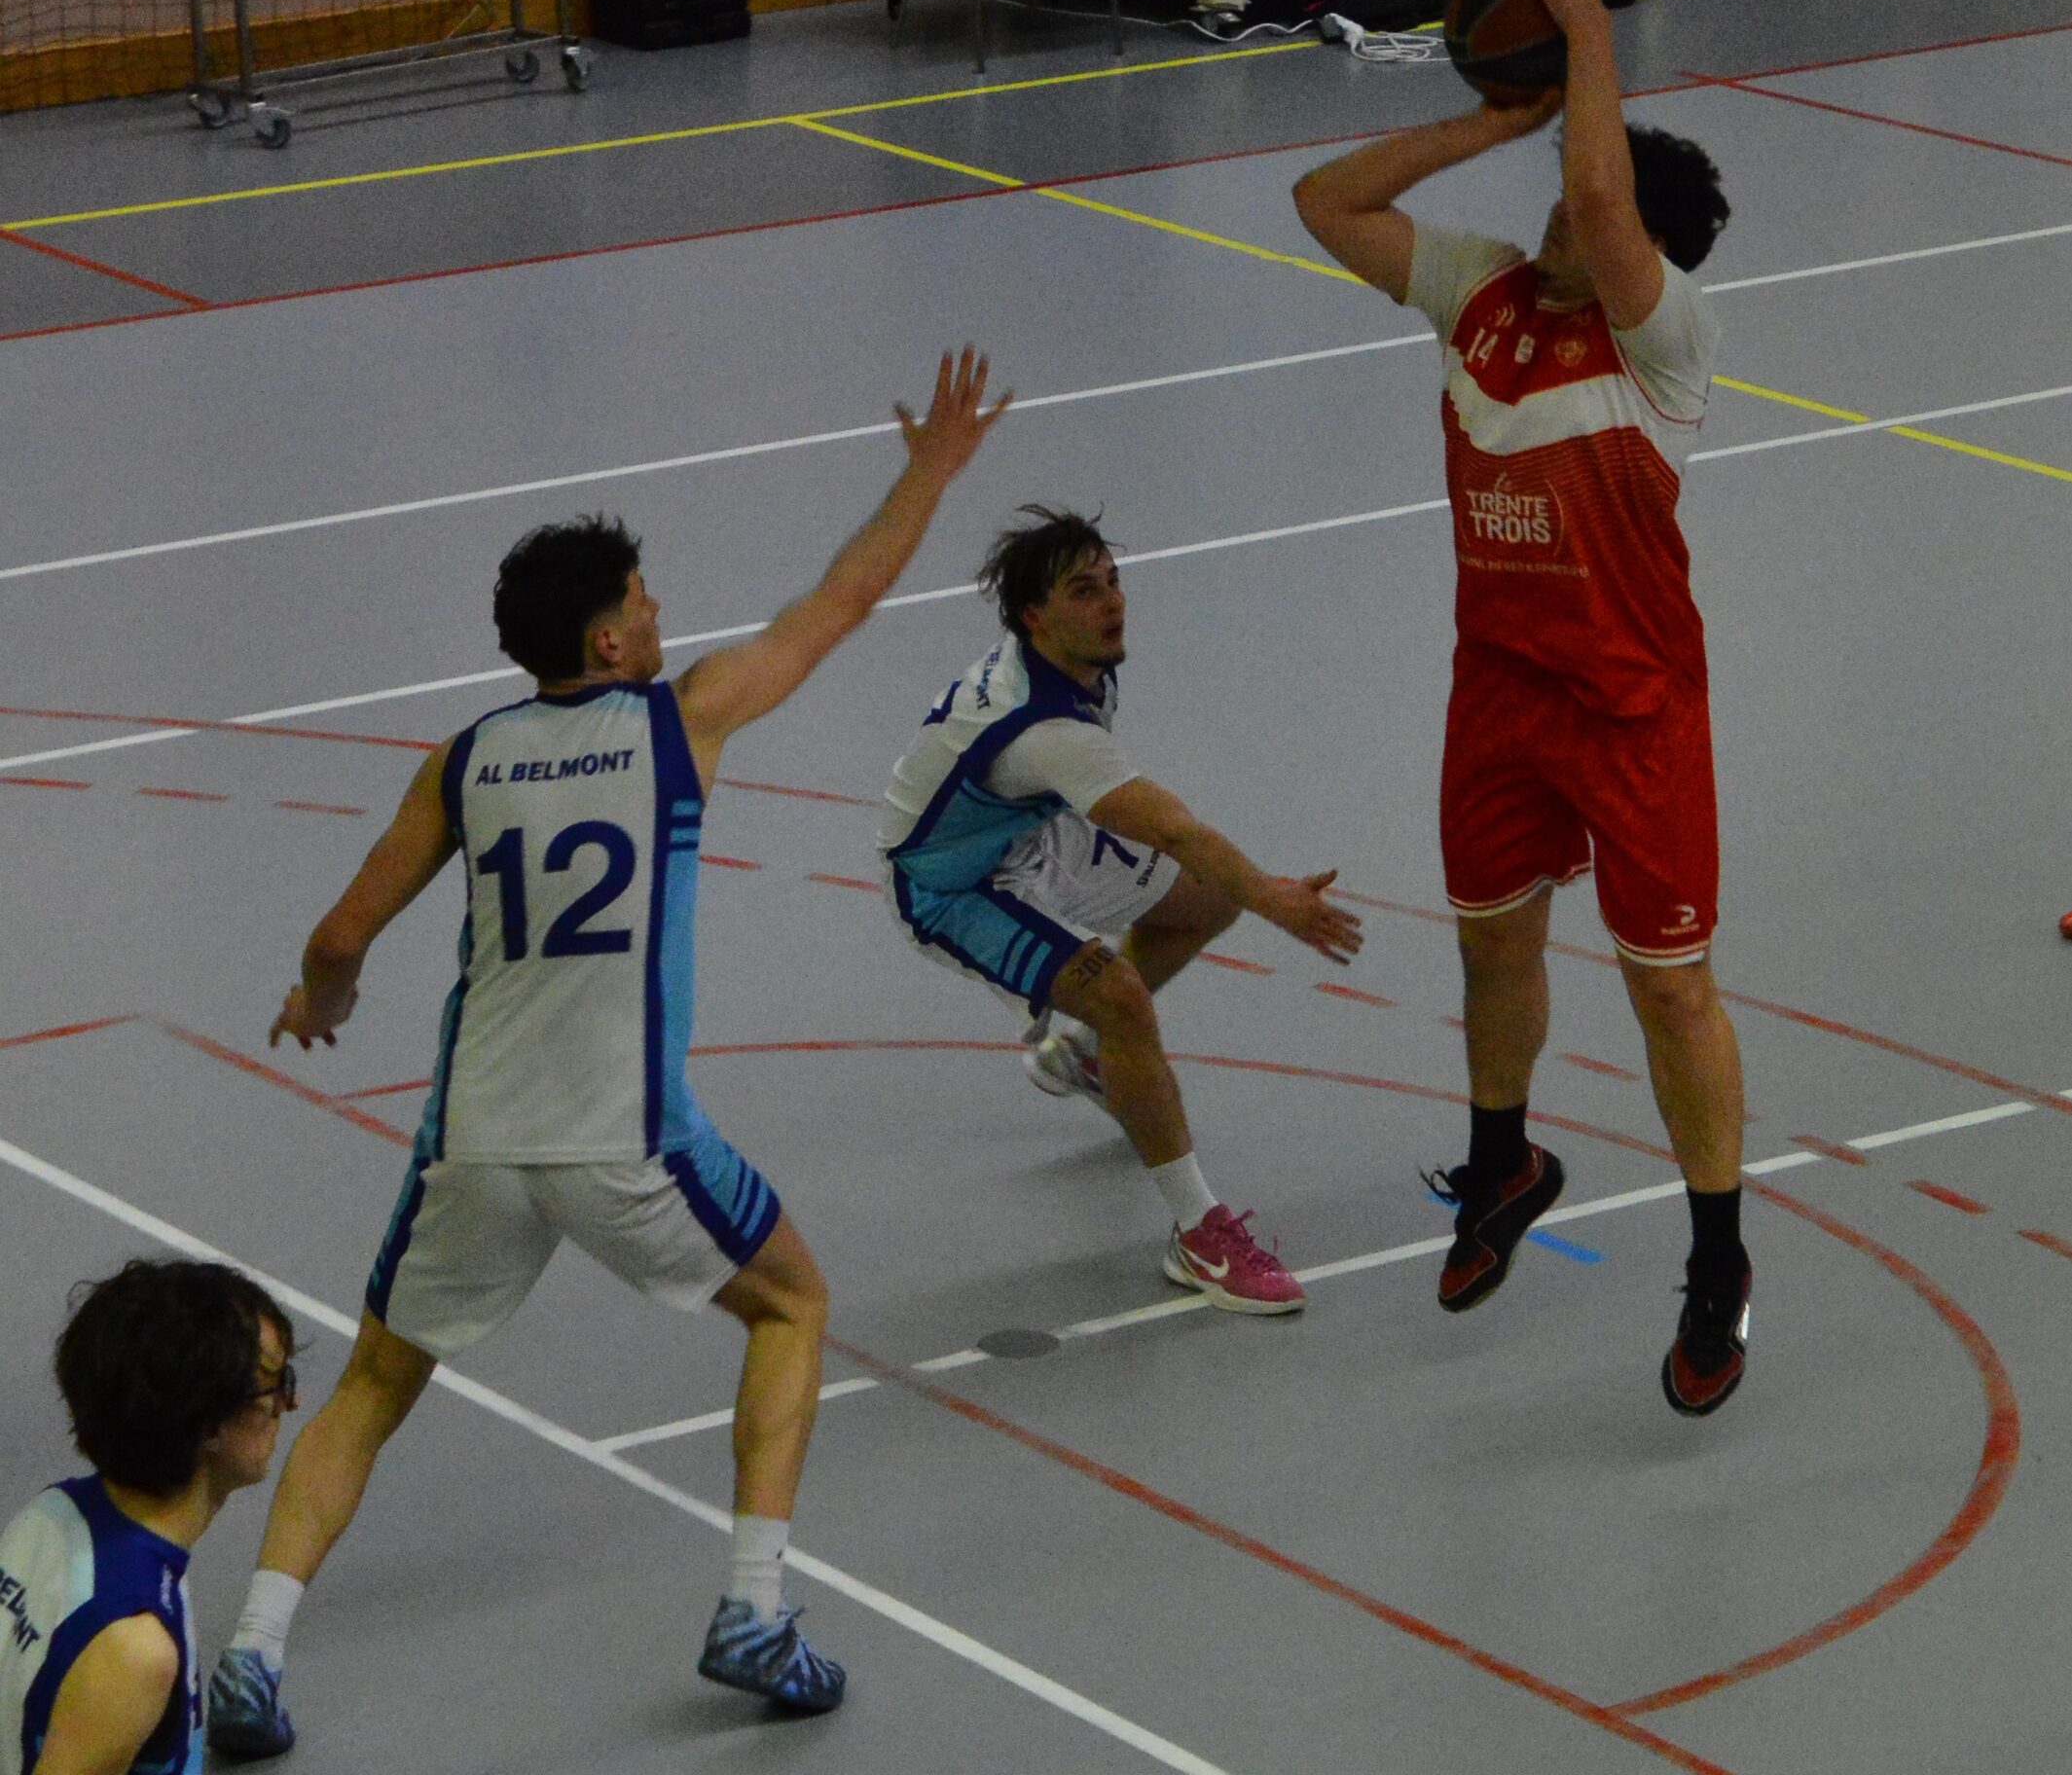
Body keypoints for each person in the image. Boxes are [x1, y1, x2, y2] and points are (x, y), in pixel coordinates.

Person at [205, 351, 1010, 1757]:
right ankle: (753, 1606)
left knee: (373, 1386)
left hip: (474, 1137)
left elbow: (338, 935)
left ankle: (252, 1653)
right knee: (794, 1304)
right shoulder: (678, 722)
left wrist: (321, 1000)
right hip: (625, 1132)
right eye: (642, 600)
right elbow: (839, 603)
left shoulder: (465, 758)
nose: (659, 612)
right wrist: (930, 472)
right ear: (610, 643)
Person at [1290, 0, 1753, 1417]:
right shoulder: (1481, 291)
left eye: (1576, 193)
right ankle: (1504, 1162)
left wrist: (1587, 39)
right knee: (1493, 947)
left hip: (1634, 711)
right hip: (1497, 692)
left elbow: (1608, 201)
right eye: (1549, 188)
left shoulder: (1664, 338)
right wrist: (1489, 118)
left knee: (1669, 993)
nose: (1558, 204)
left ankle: (1717, 1259)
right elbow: (1325, 201)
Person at [877, 507, 1363, 1313]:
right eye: (1083, 590)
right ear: (1034, 616)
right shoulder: (1041, 729)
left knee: (1204, 900)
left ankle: (1078, 1055)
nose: (1111, 602)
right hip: (950, 883)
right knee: (1120, 998)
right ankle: (1198, 1235)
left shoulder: (1075, 662)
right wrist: (1274, 898)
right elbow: (1168, 826)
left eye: (1112, 581)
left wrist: (1241, 889)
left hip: (1025, 831)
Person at [2, 1259, 295, 1775]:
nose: (289, 1405)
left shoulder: (51, 1514)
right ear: (210, 1427)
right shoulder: (134, 1647)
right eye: (275, 1386)